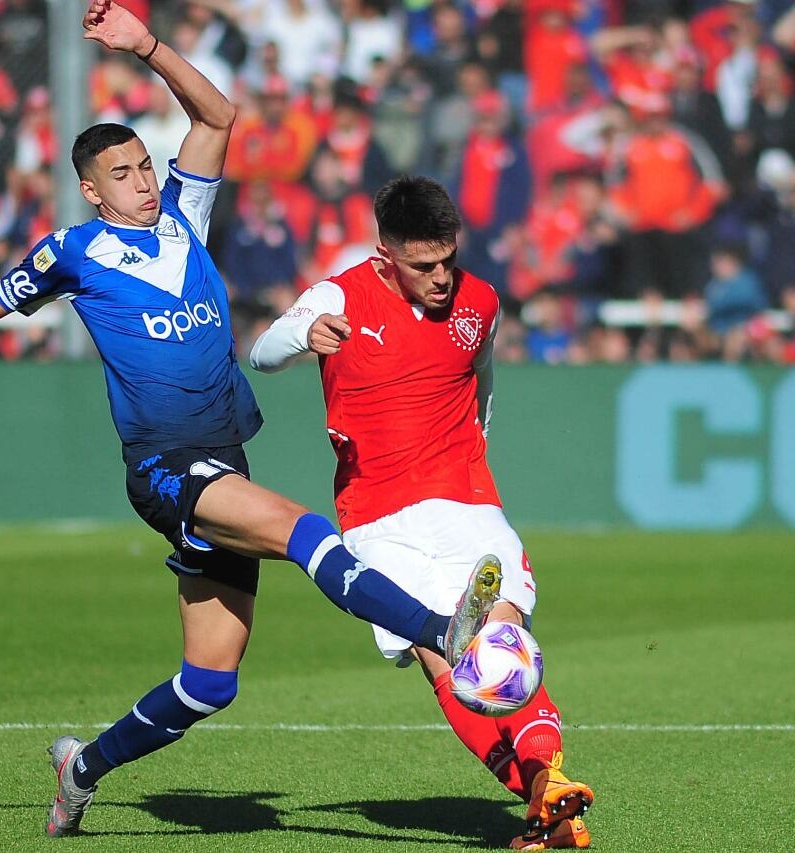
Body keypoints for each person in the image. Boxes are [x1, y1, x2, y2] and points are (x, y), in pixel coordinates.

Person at [0, 1, 494, 838]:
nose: (144, 179)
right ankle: (445, 635)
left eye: (146, 164)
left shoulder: (187, 216)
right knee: (302, 529)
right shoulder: (70, 253)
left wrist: (146, 47)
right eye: (126, 173)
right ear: (92, 190)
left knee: (209, 680)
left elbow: (218, 115)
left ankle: (82, 768)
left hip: (221, 458)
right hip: (168, 468)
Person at [249, 176, 595, 851]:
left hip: (465, 497)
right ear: (386, 257)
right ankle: (544, 798)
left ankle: (546, 789)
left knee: (500, 644)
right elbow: (262, 352)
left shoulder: (482, 302)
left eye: (448, 260)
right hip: (377, 515)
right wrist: (302, 336)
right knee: (445, 662)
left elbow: (482, 386)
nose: (441, 278)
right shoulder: (340, 295)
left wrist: (475, 461)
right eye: (423, 265)